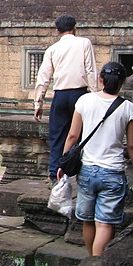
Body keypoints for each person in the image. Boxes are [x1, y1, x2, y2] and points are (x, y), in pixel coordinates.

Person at [58, 61, 133, 256]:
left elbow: (72, 136)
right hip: (112, 172)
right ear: (122, 82)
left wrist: (63, 163)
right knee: (104, 224)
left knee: (88, 220)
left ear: (100, 79)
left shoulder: (85, 101)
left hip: (87, 170)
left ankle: (90, 259)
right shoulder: (128, 108)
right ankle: (96, 264)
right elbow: (132, 145)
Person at [34, 15, 98, 183]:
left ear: (57, 30)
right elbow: (91, 70)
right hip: (80, 94)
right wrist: (96, 94)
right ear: (75, 27)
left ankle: (55, 175)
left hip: (60, 95)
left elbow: (43, 77)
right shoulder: (84, 43)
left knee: (57, 136)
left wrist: (37, 103)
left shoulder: (53, 49)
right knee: (84, 135)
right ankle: (80, 172)